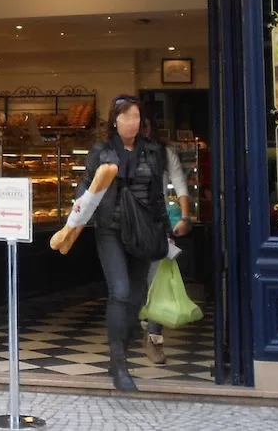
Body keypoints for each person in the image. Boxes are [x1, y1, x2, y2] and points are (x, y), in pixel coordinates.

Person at [76, 94, 170, 392]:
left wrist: (165, 231)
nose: (133, 123)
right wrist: (77, 208)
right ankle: (118, 364)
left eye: (137, 118)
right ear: (115, 121)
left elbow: (158, 195)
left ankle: (121, 353)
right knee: (120, 291)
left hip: (143, 231)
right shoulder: (101, 151)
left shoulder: (153, 152)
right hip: (110, 229)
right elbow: (85, 185)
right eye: (127, 117)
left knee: (136, 299)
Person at [141, 114, 192, 365]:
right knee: (131, 283)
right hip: (127, 226)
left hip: (157, 224)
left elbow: (180, 184)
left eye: (144, 122)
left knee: (156, 281)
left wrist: (184, 216)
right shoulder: (118, 153)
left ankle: (154, 337)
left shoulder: (164, 152)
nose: (140, 128)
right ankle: (138, 325)